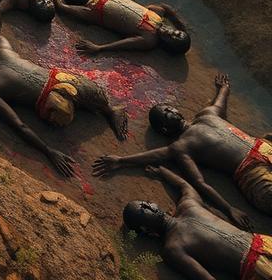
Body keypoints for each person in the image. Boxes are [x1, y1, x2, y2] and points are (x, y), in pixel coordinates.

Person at [94, 73, 269, 225]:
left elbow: (219, 103)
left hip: (262, 151)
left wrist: (223, 88)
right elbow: (197, 181)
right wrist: (229, 209)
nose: (171, 112)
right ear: (164, 129)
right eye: (166, 113)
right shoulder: (183, 143)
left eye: (169, 109)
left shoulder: (206, 116)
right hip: (252, 169)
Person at [0, 31, 128, 176]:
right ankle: (102, 109)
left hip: (59, 80)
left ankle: (111, 111)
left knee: (87, 89)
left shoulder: (1, 51)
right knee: (62, 109)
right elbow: (18, 125)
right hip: (52, 103)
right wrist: (48, 151)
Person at [122, 165, 271, 279]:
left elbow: (184, 185)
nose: (150, 205)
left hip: (260, 255)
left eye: (146, 202)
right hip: (261, 254)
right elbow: (184, 185)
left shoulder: (177, 237)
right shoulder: (186, 212)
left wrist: (161, 172)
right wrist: (161, 172)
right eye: (145, 206)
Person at [54, 0, 191, 56]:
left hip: (99, 12)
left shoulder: (149, 40)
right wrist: (182, 26)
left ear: (168, 46)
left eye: (173, 39)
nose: (171, 34)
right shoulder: (158, 14)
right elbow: (167, 8)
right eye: (177, 33)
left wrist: (100, 48)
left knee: (66, 8)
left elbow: (125, 44)